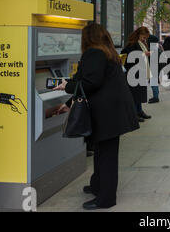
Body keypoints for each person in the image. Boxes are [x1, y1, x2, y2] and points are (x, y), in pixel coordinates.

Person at [53, 23, 139, 210]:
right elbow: (86, 81)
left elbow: (90, 83)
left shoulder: (94, 54)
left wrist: (65, 86)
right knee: (101, 151)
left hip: (108, 113)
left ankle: (106, 198)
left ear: (87, 38)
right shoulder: (107, 53)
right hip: (112, 111)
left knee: (106, 155)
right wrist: (69, 103)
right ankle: (97, 185)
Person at [121, 27, 152, 122]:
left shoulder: (141, 44)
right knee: (135, 95)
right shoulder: (132, 44)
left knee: (139, 94)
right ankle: (134, 113)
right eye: (143, 37)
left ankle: (139, 111)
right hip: (134, 73)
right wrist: (144, 55)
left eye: (145, 37)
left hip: (140, 72)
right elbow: (128, 56)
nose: (144, 39)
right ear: (138, 35)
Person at [148, 34, 162, 103]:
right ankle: (155, 96)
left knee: (153, 81)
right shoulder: (157, 47)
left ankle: (156, 97)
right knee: (154, 81)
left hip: (153, 66)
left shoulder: (152, 48)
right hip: (156, 66)